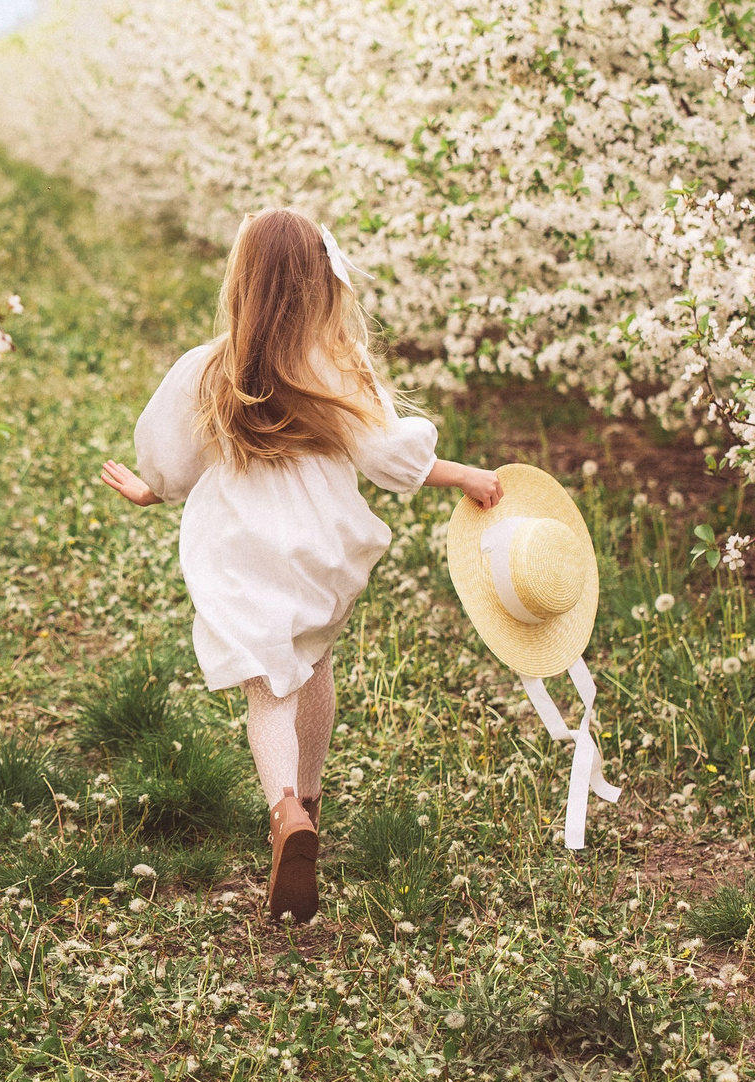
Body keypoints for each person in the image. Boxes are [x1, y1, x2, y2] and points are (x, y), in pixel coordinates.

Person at [98, 208, 503, 924]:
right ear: (321, 279)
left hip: (243, 543)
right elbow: (389, 458)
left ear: (242, 280)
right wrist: (468, 474)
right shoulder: (339, 364)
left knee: (267, 683)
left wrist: (151, 489)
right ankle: (311, 803)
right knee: (313, 662)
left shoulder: (213, 366)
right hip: (319, 542)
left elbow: (170, 454)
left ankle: (286, 811)